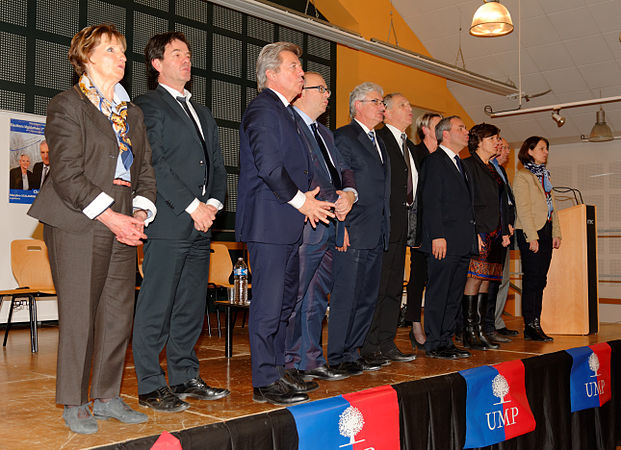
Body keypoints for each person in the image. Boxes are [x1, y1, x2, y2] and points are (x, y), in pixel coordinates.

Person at [27, 24, 156, 434]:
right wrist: (110, 215)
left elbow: (145, 171)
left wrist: (139, 213)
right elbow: (65, 173)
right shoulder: (69, 104)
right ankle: (74, 400)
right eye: (111, 50)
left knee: (118, 313)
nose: (121, 57)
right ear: (85, 57)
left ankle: (106, 396)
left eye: (122, 50)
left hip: (122, 215)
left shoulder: (131, 112)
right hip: (77, 217)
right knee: (81, 312)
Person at [132, 31, 229, 412]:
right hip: (171, 220)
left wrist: (213, 204)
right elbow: (154, 162)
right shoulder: (148, 105)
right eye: (177, 54)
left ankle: (184, 375)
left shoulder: (202, 112)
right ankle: (150, 383)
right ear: (157, 64)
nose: (186, 60)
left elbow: (217, 164)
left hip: (202, 223)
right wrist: (193, 205)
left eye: (188, 54)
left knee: (190, 304)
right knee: (157, 305)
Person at [236, 42, 335, 406]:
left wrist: (304, 202)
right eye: (294, 66)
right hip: (270, 223)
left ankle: (277, 371)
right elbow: (268, 165)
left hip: (288, 222)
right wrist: (301, 201)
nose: (301, 73)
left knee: (283, 306)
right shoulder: (262, 108)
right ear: (270, 74)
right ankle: (264, 381)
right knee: (268, 304)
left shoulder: (287, 113)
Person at [284, 72, 356, 381]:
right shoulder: (288, 125)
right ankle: (287, 363)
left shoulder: (325, 133)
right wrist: (329, 197)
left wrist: (349, 195)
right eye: (321, 88)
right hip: (306, 220)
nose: (328, 94)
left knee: (317, 296)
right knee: (296, 295)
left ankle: (310, 360)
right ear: (301, 93)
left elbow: (344, 169)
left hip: (330, 222)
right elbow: (295, 172)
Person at [327, 82, 391, 375]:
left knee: (367, 296)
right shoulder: (344, 137)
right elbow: (340, 183)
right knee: (347, 296)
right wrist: (343, 227)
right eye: (377, 101)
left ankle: (354, 351)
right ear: (358, 106)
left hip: (376, 231)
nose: (382, 107)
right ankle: (337, 355)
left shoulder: (380, 141)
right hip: (353, 229)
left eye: (382, 102)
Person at [361, 93, 416, 363]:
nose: (410, 110)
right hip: (382, 225)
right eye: (404, 105)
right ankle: (369, 345)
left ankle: (387, 340)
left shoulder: (410, 146)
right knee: (378, 288)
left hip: (402, 226)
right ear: (388, 112)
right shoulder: (380, 140)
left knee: (394, 288)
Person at [418, 115, 477, 359]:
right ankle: (434, 343)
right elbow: (431, 200)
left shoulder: (459, 163)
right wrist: (438, 235)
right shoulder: (435, 161)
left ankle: (447, 339)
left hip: (461, 240)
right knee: (439, 292)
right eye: (461, 128)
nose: (466, 132)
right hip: (444, 240)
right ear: (446, 134)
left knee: (454, 294)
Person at [461, 124, 510, 351]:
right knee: (474, 279)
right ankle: (469, 331)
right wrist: (474, 232)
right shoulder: (468, 166)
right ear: (478, 141)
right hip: (480, 231)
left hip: (495, 231)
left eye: (498, 138)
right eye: (493, 138)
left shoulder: (492, 167)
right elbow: (467, 202)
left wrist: (505, 229)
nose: (497, 142)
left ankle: (480, 329)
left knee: (485, 282)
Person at [513, 136, 562, 341]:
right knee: (532, 279)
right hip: (530, 231)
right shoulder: (523, 176)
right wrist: (531, 236)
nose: (546, 152)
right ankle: (530, 326)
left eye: (547, 148)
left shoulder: (545, 176)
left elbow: (552, 206)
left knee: (540, 280)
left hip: (546, 229)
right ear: (530, 151)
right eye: (542, 148)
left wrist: (556, 232)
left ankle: (536, 322)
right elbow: (523, 209)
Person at [405, 112, 442, 350]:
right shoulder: (415, 154)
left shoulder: (442, 157)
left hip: (439, 226)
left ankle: (435, 324)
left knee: (436, 277)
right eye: (439, 124)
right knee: (418, 276)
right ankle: (414, 323)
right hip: (420, 225)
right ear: (425, 129)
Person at [484, 138, 518, 342]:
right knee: (489, 281)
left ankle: (496, 322)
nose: (506, 151)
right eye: (503, 147)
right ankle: (489, 324)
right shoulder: (487, 168)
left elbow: (507, 202)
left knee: (503, 280)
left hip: (505, 232)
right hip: (493, 233)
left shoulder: (501, 171)